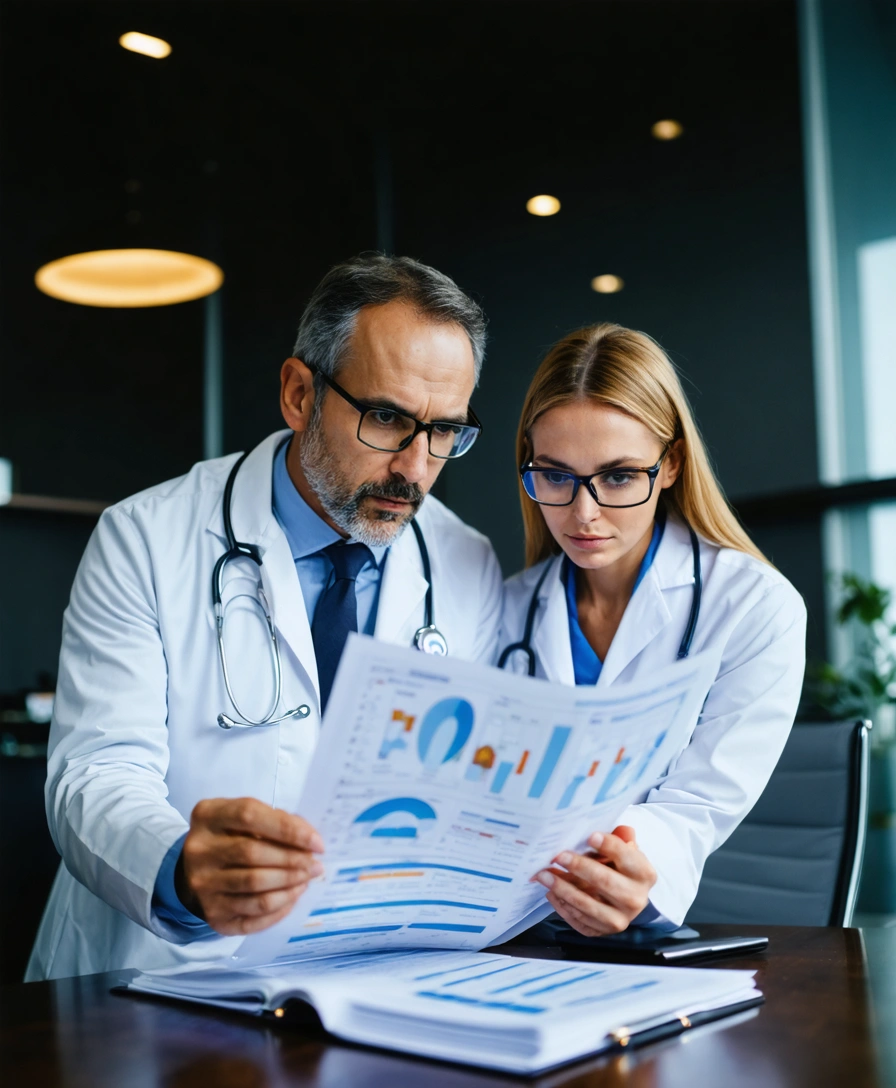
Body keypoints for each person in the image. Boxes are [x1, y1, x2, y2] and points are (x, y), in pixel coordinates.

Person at [27, 255, 502, 980]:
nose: (416, 466)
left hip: (365, 980)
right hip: (151, 974)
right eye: (387, 418)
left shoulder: (466, 564)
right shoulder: (146, 537)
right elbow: (94, 775)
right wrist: (181, 868)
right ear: (298, 393)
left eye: (445, 431)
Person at [500, 323, 806, 935]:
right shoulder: (506, 609)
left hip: (655, 934)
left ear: (668, 465)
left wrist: (636, 868)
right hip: (513, 929)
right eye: (555, 475)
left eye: (616, 476)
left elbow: (698, 806)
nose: (583, 514)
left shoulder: (753, 606)